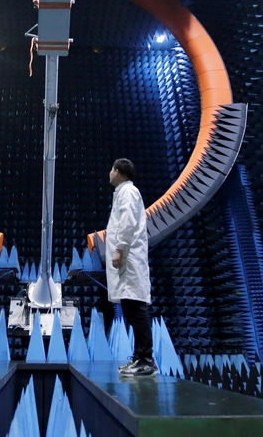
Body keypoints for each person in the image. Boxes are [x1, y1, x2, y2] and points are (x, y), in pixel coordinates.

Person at [105, 158, 157, 377]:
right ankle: (139, 357)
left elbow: (127, 222)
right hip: (127, 259)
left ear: (117, 171)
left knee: (136, 308)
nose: (109, 173)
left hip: (129, 258)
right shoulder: (123, 192)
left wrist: (120, 248)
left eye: (111, 169)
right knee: (131, 308)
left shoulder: (128, 192)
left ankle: (146, 360)